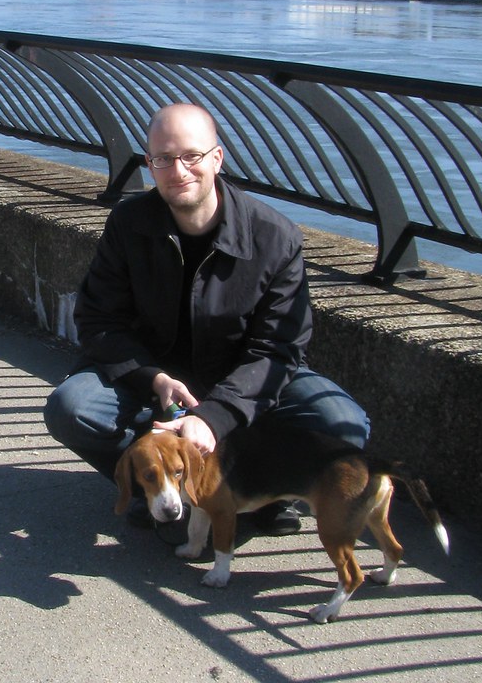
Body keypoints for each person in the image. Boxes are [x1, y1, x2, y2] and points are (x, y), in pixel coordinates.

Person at [44, 102, 370, 537]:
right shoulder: (128, 223)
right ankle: (158, 492)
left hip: (241, 378)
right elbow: (98, 318)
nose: (177, 170)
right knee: (72, 408)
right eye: (163, 159)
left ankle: (258, 497)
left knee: (341, 423)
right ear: (149, 165)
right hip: (152, 376)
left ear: (216, 158)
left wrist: (214, 416)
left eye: (191, 156)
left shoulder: (274, 237)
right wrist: (151, 376)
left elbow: (279, 348)